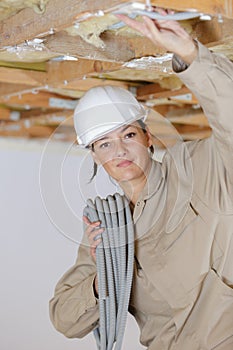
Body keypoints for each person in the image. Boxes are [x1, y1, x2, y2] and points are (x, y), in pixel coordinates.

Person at [49, 10, 233, 350]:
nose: (119, 150)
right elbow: (64, 318)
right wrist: (106, 267)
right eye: (105, 144)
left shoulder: (195, 169)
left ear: (148, 137)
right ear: (95, 156)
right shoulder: (106, 227)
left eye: (128, 135)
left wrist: (192, 56)